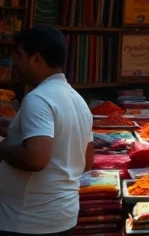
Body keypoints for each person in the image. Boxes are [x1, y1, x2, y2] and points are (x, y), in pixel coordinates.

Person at [0, 26, 92, 236]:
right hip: (62, 217)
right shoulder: (78, 101)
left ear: (36, 58)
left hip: (28, 221)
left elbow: (36, 158)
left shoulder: (38, 99)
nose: (16, 63)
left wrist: (1, 146)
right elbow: (86, 162)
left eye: (20, 55)